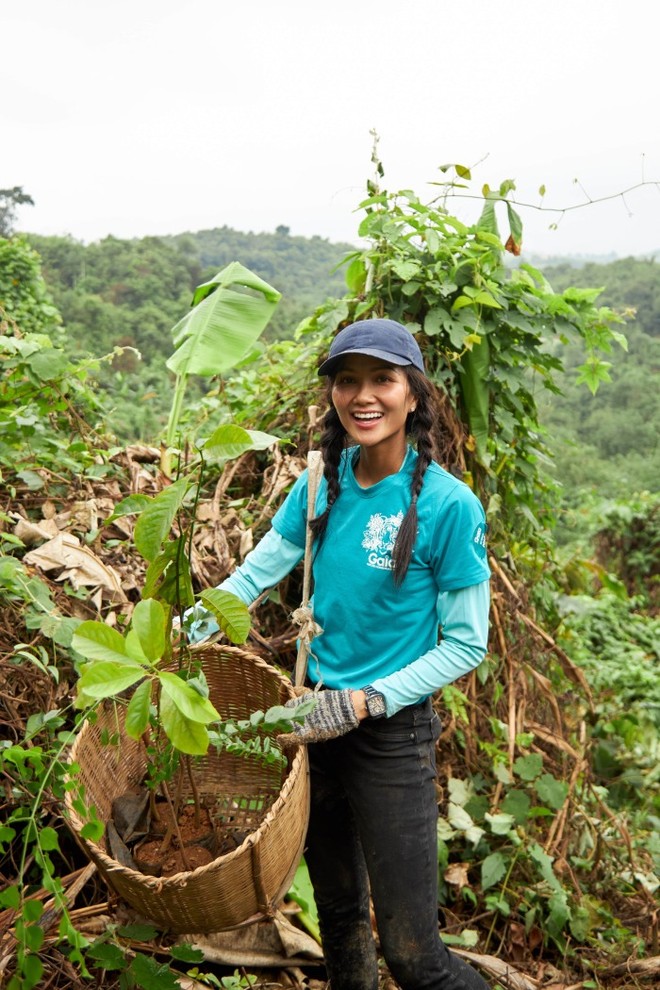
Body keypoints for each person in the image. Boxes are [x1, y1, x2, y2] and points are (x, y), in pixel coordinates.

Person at [186, 318, 492, 990]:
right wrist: (188, 625)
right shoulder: (322, 481)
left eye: (382, 379)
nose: (363, 396)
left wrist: (366, 699)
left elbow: (468, 641)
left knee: (414, 957)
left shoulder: (448, 505)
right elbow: (260, 568)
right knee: (341, 915)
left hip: (390, 735)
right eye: (346, 380)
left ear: (413, 393)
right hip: (314, 723)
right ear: (331, 394)